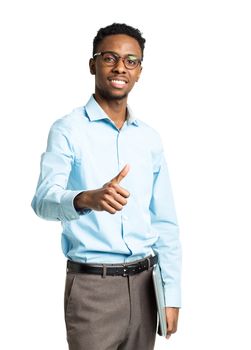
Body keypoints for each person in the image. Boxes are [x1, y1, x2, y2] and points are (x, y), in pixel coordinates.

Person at [31, 23, 181, 350]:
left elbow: (165, 222)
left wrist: (171, 294)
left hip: (147, 287)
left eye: (131, 61)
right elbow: (43, 200)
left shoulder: (149, 139)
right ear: (93, 64)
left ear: (139, 71)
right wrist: (87, 198)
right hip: (92, 290)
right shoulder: (67, 130)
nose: (120, 68)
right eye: (110, 57)